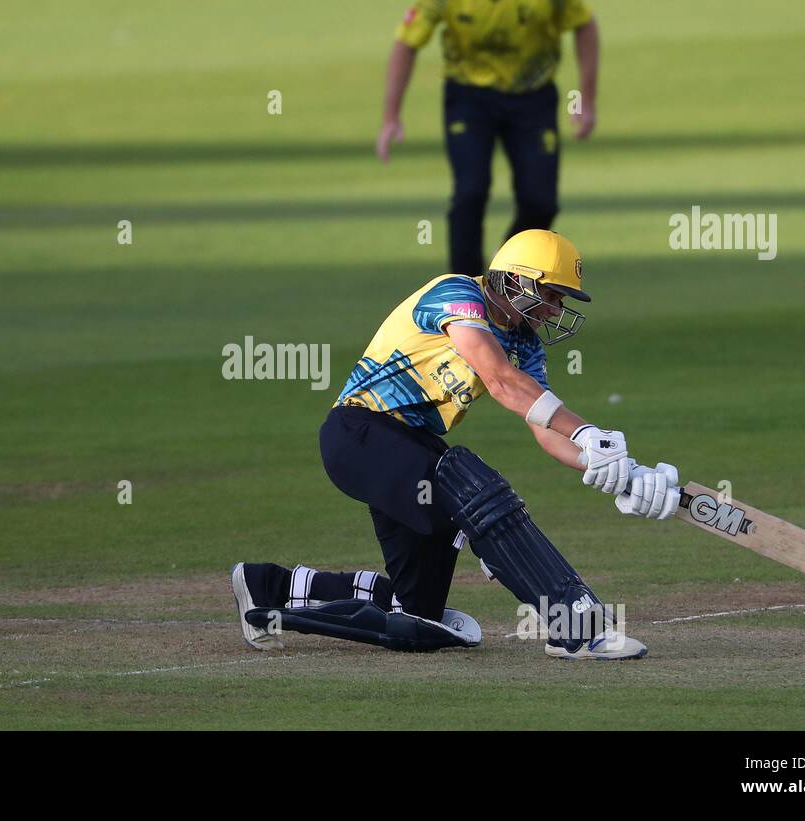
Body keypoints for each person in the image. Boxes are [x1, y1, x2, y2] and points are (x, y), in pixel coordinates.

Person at [232, 230, 679, 659]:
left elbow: (542, 425)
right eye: (554, 294)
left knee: (418, 614)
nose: (556, 309)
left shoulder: (525, 344)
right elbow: (501, 380)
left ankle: (268, 585)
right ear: (520, 280)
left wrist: (615, 470)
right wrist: (584, 431)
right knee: (471, 486)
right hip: (360, 434)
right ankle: (578, 629)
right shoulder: (457, 294)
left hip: (409, 449)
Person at [377, 1, 600, 277]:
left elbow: (584, 25)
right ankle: (464, 289)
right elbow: (407, 42)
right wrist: (391, 116)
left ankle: (506, 266)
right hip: (469, 97)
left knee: (541, 201)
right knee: (470, 192)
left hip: (533, 97)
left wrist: (586, 101)